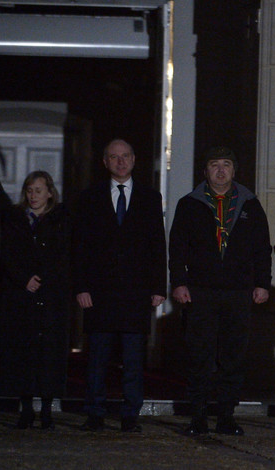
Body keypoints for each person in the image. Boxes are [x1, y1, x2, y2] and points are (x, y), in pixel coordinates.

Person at [169, 146, 272, 437]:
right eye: (214, 165)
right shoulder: (189, 204)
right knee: (199, 355)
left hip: (238, 292)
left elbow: (262, 248)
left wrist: (262, 283)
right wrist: (178, 282)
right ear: (206, 171)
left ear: (234, 170)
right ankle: (198, 416)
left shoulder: (250, 204)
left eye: (226, 164)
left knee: (233, 356)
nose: (221, 170)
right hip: (200, 291)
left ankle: (226, 416)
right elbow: (177, 247)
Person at [70, 139, 167, 433]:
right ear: (105, 161)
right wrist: (81, 286)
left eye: (125, 156)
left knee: (133, 358)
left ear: (134, 159)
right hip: (99, 291)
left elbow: (157, 246)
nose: (120, 162)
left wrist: (159, 286)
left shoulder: (150, 199)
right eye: (114, 157)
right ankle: (95, 412)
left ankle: (130, 415)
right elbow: (80, 247)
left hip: (136, 292)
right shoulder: (89, 198)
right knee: (98, 357)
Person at [0, 171, 71, 429]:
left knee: (49, 351)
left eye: (39, 190)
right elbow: (6, 252)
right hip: (22, 295)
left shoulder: (60, 220)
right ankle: (26, 408)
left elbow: (65, 255)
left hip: (51, 296)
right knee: (24, 351)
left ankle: (47, 409)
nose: (33, 195)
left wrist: (46, 278)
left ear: (49, 192)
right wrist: (23, 278)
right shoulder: (16, 219)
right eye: (29, 190)